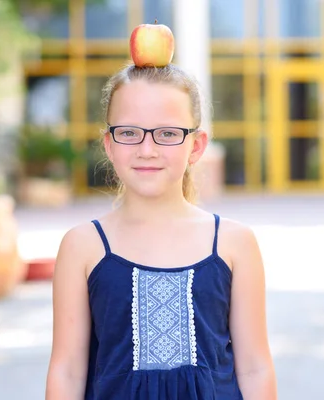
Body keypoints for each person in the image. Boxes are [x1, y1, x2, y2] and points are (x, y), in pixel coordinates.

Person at [45, 62, 277, 399]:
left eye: (167, 133)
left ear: (196, 146)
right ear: (109, 144)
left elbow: (255, 367)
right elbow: (66, 372)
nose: (147, 149)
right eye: (129, 132)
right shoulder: (82, 246)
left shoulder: (234, 242)